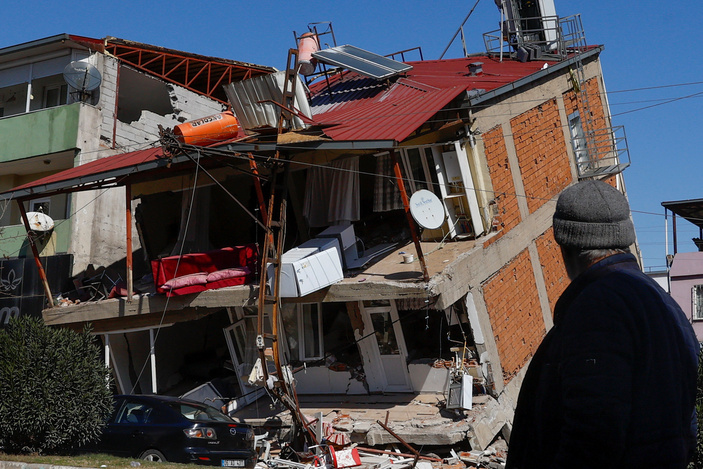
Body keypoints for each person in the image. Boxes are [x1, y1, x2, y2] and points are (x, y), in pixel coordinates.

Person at [506, 180, 699, 468]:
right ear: (624, 238)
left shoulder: (599, 307)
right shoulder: (665, 304)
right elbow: (688, 424)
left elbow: (592, 437)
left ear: (565, 246)